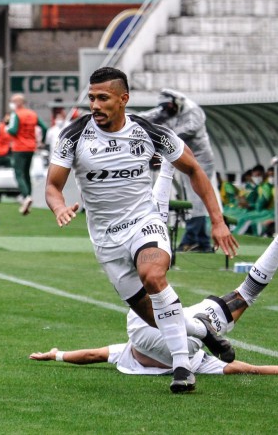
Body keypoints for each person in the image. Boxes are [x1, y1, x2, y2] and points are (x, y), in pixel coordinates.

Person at [45, 66, 239, 393]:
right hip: (106, 241)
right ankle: (201, 330)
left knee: (153, 276)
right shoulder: (74, 135)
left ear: (123, 99)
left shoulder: (149, 132)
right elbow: (52, 185)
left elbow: (194, 169)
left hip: (143, 224)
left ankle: (182, 368)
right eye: (91, 97)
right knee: (154, 318)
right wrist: (59, 206)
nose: (94, 104)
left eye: (102, 98)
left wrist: (217, 221)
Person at [30, 236, 278, 378]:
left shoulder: (125, 353)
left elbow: (93, 355)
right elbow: (246, 368)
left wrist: (57, 354)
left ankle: (199, 330)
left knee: (244, 295)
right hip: (173, 335)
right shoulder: (200, 361)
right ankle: (199, 329)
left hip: (154, 331)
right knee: (244, 293)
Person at [139, 88, 217, 253]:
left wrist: (161, 135)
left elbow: (189, 129)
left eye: (168, 107)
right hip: (184, 158)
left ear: (177, 103)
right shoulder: (168, 110)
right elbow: (150, 115)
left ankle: (191, 239)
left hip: (201, 159)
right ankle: (202, 242)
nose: (167, 112)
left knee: (196, 199)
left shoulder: (193, 110)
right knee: (193, 199)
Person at [7, 93, 47, 215]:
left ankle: (26, 197)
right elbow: (44, 128)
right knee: (26, 173)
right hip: (31, 147)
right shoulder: (32, 114)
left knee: (18, 173)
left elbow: (13, 130)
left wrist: (7, 129)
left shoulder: (16, 114)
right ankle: (28, 199)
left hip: (19, 147)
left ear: (18, 103)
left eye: (13, 101)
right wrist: (41, 141)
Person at [236, 164, 275, 236]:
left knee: (247, 219)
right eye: (255, 176)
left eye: (258, 175)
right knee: (244, 217)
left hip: (269, 212)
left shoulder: (266, 187)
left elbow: (261, 204)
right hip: (266, 211)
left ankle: (238, 236)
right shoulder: (260, 186)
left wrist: (250, 206)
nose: (256, 178)